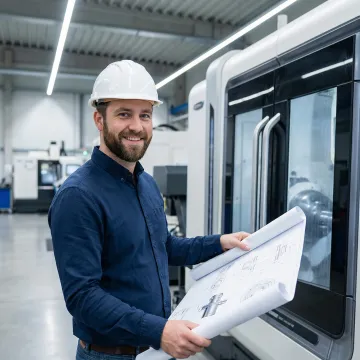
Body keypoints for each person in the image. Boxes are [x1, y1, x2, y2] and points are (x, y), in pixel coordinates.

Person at [48, 60, 250, 360]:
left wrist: (219, 243)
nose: (137, 126)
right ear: (99, 120)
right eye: (124, 114)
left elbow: (164, 247)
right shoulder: (78, 196)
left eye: (145, 115)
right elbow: (82, 297)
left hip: (154, 349)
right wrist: (159, 331)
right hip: (110, 354)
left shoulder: (146, 184)